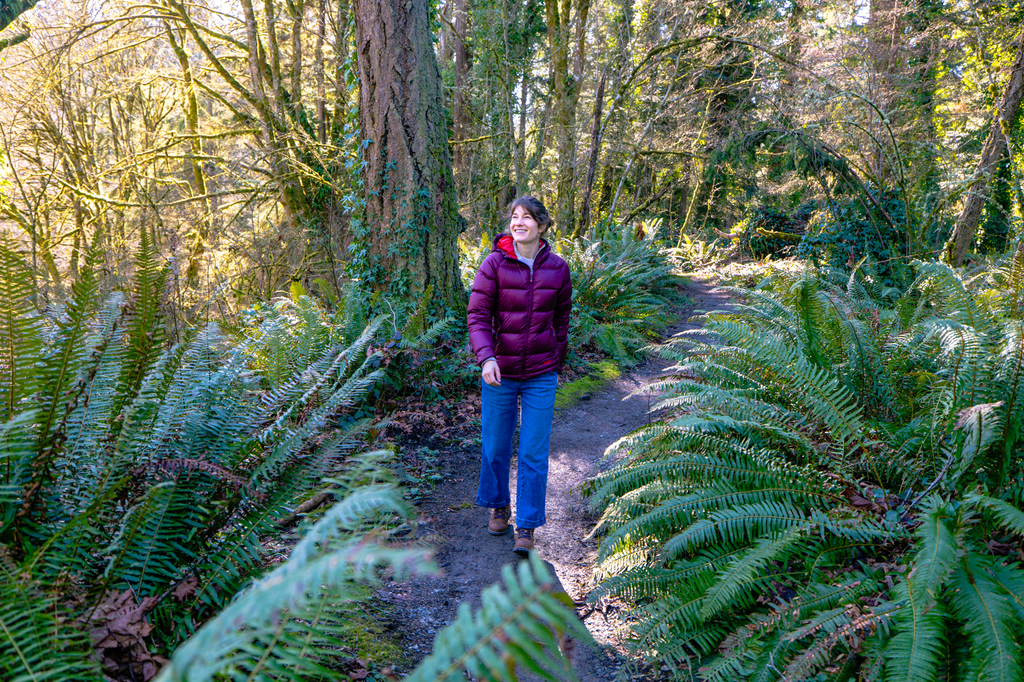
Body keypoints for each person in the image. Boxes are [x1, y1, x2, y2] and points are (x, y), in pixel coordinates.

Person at [467, 195, 572, 555]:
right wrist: (486, 358)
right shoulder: (493, 264)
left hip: (542, 372)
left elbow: (561, 320)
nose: (519, 222)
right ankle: (499, 504)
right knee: (495, 446)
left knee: (533, 452)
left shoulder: (558, 268)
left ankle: (526, 525)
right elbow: (477, 317)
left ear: (541, 226)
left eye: (527, 217)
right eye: (515, 216)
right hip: (500, 371)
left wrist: (556, 360)